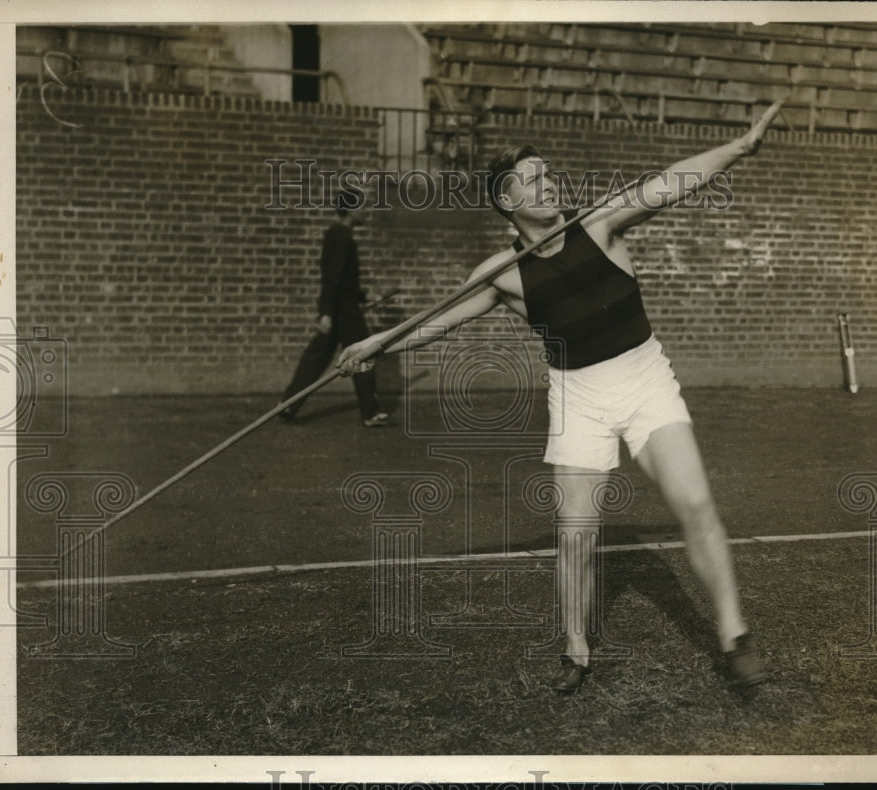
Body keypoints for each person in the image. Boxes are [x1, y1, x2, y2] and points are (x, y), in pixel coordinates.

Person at [337, 102, 783, 692]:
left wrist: (737, 149)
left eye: (549, 173)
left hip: (645, 378)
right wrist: (374, 344)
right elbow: (438, 321)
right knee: (576, 534)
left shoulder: (597, 224)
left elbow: (670, 182)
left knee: (695, 504)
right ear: (507, 202)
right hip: (580, 396)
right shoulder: (502, 272)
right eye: (533, 179)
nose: (549, 183)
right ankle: (576, 647)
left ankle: (734, 636)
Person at [280, 193, 389, 427]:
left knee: (317, 357)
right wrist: (326, 313)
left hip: (341, 306)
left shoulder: (337, 235)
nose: (367, 211)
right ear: (351, 210)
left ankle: (289, 403)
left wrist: (363, 296)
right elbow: (332, 279)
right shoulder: (341, 237)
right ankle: (370, 413)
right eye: (363, 207)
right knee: (363, 353)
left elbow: (342, 280)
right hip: (344, 311)